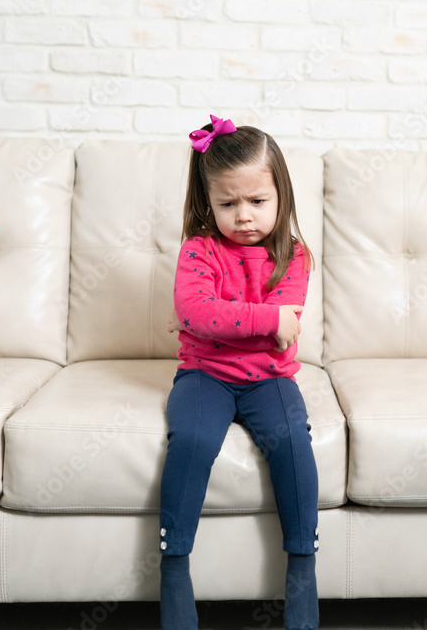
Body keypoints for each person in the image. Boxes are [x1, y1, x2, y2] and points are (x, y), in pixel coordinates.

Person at [159, 114, 320, 630]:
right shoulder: (198, 250)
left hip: (270, 379)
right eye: (228, 204)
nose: (243, 216)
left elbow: (226, 318)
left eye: (256, 201)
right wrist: (267, 319)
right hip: (204, 374)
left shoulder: (294, 257)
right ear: (208, 203)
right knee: (191, 440)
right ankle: (174, 563)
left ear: (281, 197)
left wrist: (220, 319)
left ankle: (302, 567)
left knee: (293, 439)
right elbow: (197, 314)